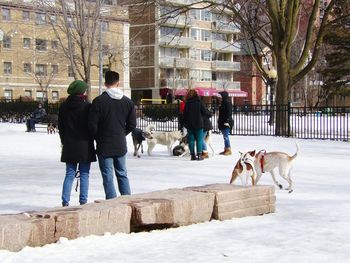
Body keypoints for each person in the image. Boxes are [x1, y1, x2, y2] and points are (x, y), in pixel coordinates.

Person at [89, 71, 136, 199]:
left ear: (105, 83)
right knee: (122, 173)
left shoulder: (98, 101)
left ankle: (111, 201)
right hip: (120, 143)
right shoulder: (128, 102)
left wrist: (98, 137)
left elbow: (92, 125)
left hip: (104, 144)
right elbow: (132, 125)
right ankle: (127, 199)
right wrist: (121, 133)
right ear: (118, 83)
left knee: (107, 175)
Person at [58, 80, 96, 207]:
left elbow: (61, 127)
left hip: (69, 144)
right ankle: (83, 201)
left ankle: (65, 200)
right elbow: (91, 126)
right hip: (85, 145)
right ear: (82, 92)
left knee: (69, 174)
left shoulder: (63, 107)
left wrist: (64, 141)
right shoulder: (87, 106)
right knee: (84, 174)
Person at [183, 89, 207, 161]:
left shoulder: (187, 104)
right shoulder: (199, 102)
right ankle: (199, 155)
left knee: (191, 140)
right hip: (199, 124)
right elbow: (204, 112)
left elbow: (185, 115)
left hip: (190, 124)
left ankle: (192, 155)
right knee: (199, 140)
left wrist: (185, 123)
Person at [218, 90, 233, 155]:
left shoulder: (227, 102)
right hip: (222, 121)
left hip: (226, 122)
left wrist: (227, 121)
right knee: (224, 136)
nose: (220, 97)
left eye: (221, 96)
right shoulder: (223, 102)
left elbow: (229, 113)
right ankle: (226, 148)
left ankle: (228, 149)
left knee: (226, 136)